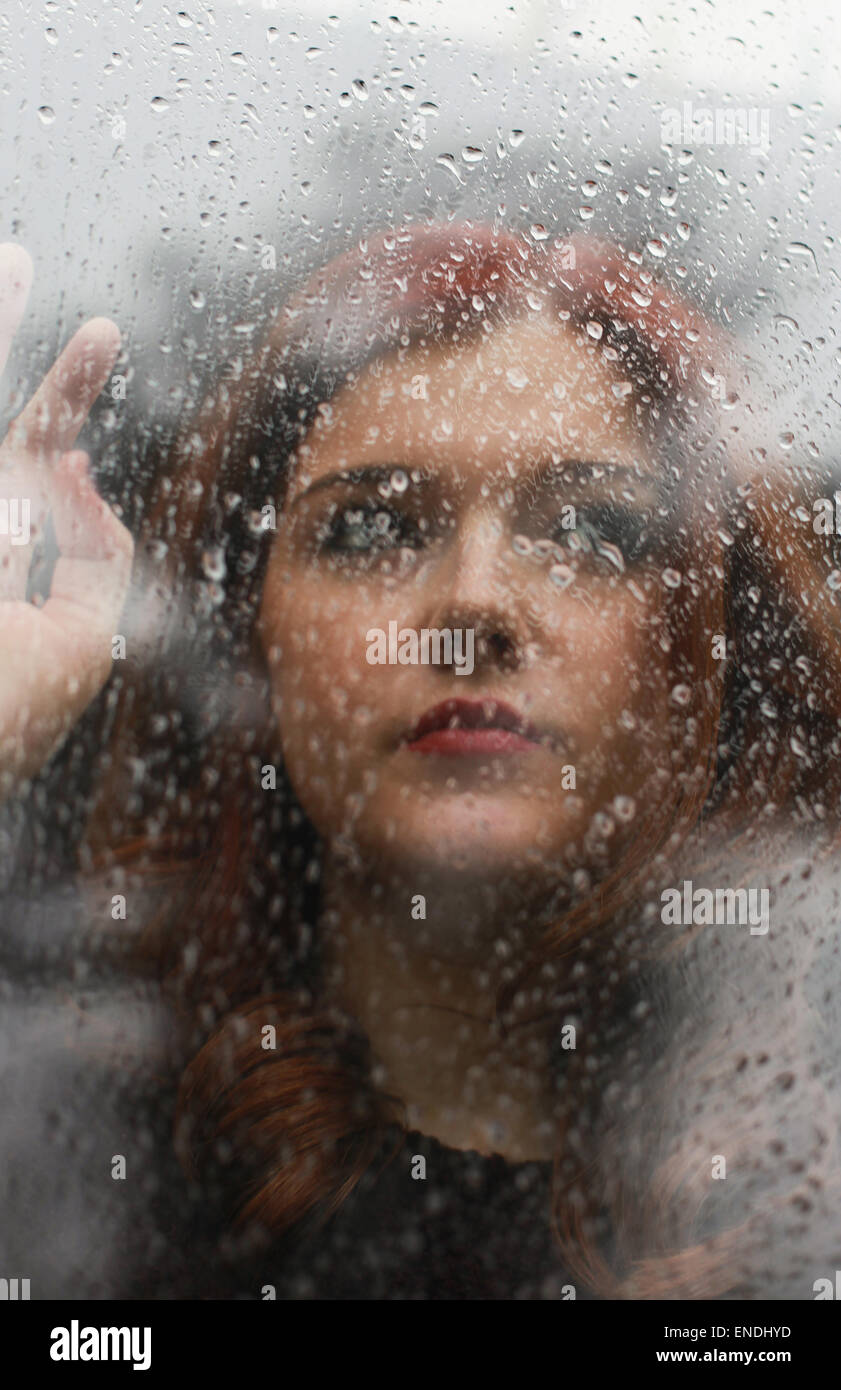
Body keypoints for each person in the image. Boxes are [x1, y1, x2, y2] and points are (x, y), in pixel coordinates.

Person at [1, 223, 840, 1300]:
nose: (472, 607)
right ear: (250, 636)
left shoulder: (803, 1219)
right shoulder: (55, 1138)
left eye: (592, 530)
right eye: (367, 528)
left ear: (716, 646)